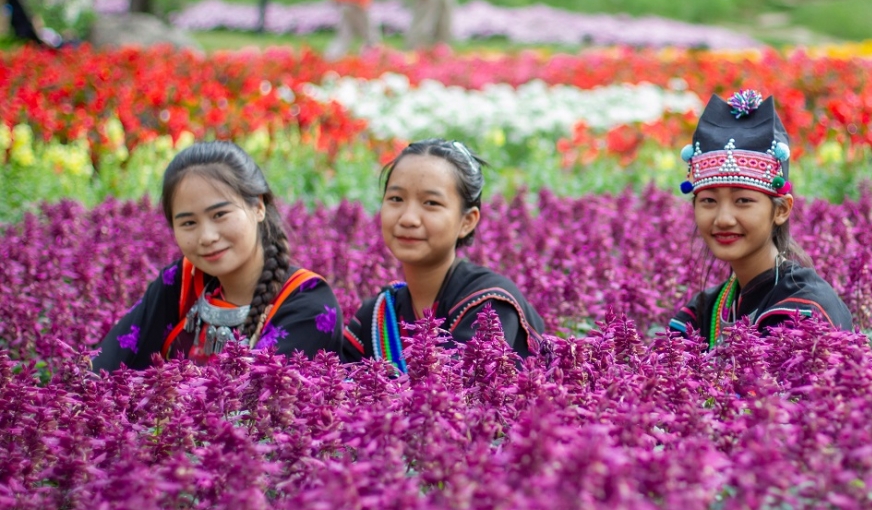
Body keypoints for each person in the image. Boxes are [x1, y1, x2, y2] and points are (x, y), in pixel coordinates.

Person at [94, 142, 343, 372]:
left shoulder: (308, 303)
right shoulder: (181, 282)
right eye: (189, 223)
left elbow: (258, 404)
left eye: (219, 215)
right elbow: (105, 368)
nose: (207, 237)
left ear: (258, 206)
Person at [667, 89, 854, 346]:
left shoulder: (804, 311)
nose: (723, 219)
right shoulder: (702, 314)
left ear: (781, 210)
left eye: (743, 201)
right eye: (708, 201)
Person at [342, 139, 544, 368]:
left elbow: (460, 392)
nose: (408, 218)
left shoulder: (489, 305)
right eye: (396, 199)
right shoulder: (377, 316)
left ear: (467, 221)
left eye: (431, 203)